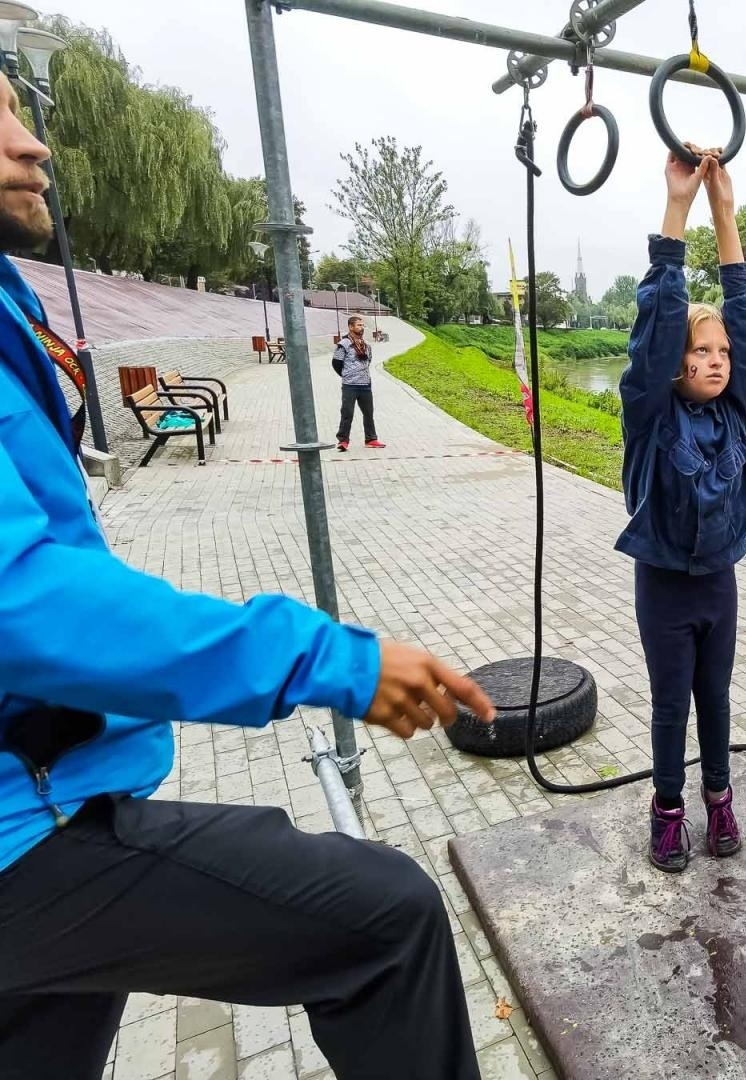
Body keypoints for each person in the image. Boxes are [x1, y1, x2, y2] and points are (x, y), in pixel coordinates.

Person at [0, 73, 492, 1080]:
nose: (32, 142)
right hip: (25, 824)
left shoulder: (8, 300)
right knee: (387, 921)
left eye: (18, 106)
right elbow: (22, 601)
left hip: (50, 784)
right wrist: (324, 658)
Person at [617, 148, 746, 874]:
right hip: (664, 585)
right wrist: (678, 208)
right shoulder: (649, 414)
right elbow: (656, 329)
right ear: (677, 363)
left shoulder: (736, 410)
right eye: (701, 351)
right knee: (669, 706)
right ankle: (667, 811)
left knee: (715, 699)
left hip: (719, 582)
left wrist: (726, 210)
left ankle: (720, 800)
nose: (716, 359)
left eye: (722, 351)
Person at [334, 314, 383, 450]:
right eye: (359, 325)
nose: (362, 327)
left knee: (368, 413)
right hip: (350, 385)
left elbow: (369, 360)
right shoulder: (343, 344)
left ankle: (371, 439)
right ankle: (343, 441)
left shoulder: (366, 345)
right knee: (347, 413)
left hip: (365, 384)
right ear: (351, 327)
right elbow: (336, 363)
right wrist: (346, 375)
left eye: (362, 325)